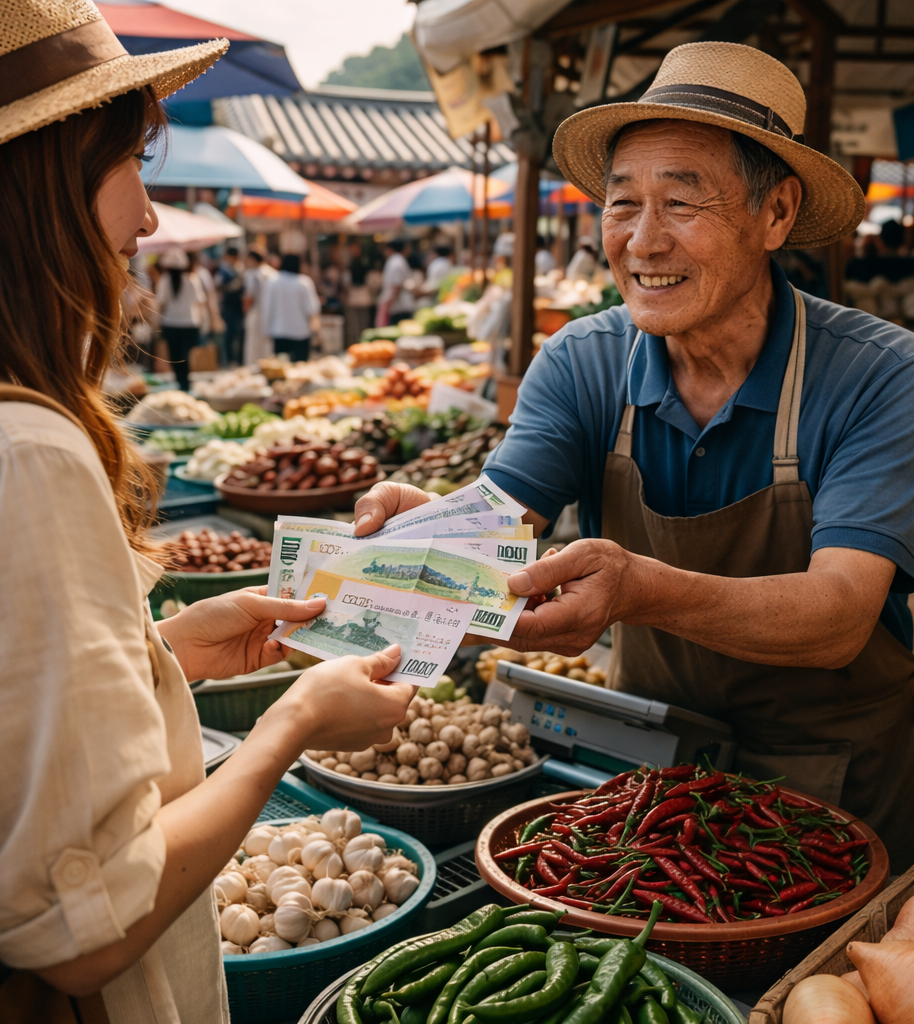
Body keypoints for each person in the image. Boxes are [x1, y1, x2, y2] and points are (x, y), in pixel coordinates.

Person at [0, 4, 413, 1021]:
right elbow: (82, 927)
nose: (150, 217)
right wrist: (292, 723)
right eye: (133, 160)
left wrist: (159, 652)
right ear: (34, 187)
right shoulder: (11, 458)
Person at [354, 42, 914, 870]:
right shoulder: (582, 361)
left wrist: (638, 588)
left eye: (682, 203)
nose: (642, 243)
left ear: (777, 213)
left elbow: (838, 616)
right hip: (654, 779)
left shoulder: (879, 374)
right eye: (621, 205)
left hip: (840, 781)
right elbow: (497, 525)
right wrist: (427, 538)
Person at [155, 247, 205, 390]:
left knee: (175, 356)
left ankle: (181, 383)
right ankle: (185, 383)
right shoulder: (192, 279)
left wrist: (156, 324)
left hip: (171, 324)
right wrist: (202, 323)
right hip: (190, 323)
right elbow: (200, 302)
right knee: (186, 356)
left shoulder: (165, 280)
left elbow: (160, 304)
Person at [261, 253, 321, 362]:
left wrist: (267, 330)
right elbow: (312, 309)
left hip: (278, 330)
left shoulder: (273, 282)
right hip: (300, 332)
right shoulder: (304, 282)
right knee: (300, 370)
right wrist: (317, 333)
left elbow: (267, 308)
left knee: (281, 369)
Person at [242, 249, 277, 366]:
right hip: (271, 313)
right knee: (267, 345)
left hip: (256, 312)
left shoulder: (253, 274)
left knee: (254, 346)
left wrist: (246, 311)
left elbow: (249, 297)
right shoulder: (273, 273)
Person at [214, 246, 245, 365]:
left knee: (239, 332)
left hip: (238, 306)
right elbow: (218, 286)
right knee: (230, 333)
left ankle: (238, 358)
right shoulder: (224, 270)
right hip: (228, 306)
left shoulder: (240, 269)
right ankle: (230, 359)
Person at [377, 238, 416, 326]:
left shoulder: (395, 262)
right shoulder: (399, 260)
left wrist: (387, 306)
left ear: (390, 249)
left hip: (399, 307)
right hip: (400, 305)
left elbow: (396, 286)